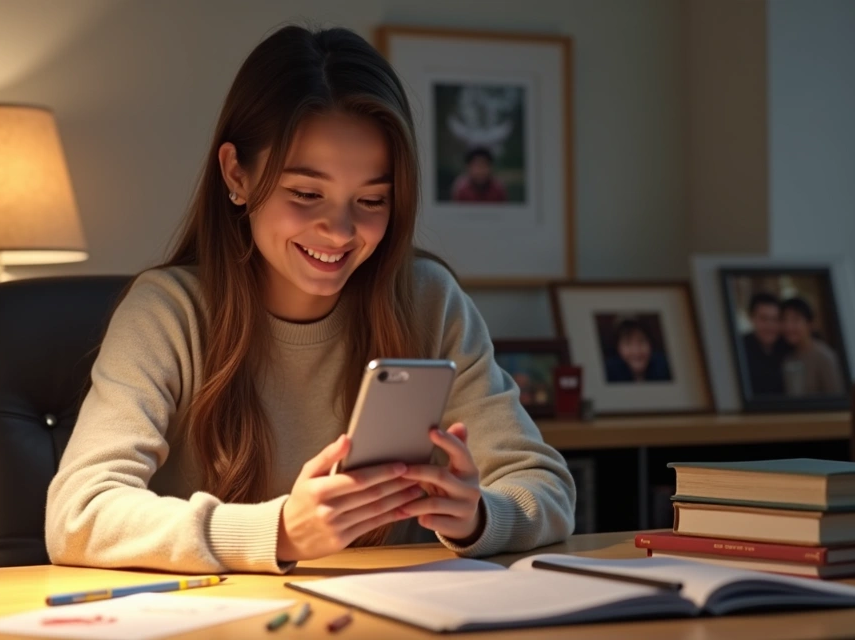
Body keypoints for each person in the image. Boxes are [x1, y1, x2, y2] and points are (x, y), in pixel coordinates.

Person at [45, 25, 576, 575]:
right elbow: (78, 514)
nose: (341, 231)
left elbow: (546, 488)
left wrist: (477, 516)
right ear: (237, 174)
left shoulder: (427, 300)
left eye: (372, 199)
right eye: (306, 193)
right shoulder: (167, 312)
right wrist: (278, 532)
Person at [779, 297, 845, 396]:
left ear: (810, 324)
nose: (788, 326)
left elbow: (837, 397)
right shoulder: (788, 357)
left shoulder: (824, 356)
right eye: (784, 320)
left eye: (795, 320)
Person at [740, 293, 789, 396]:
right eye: (763, 319)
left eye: (775, 319)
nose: (770, 326)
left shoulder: (788, 346)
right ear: (752, 318)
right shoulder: (740, 349)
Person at [603, 317, 672, 383]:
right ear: (617, 347)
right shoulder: (608, 372)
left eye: (641, 341)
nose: (636, 351)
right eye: (628, 343)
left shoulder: (666, 368)